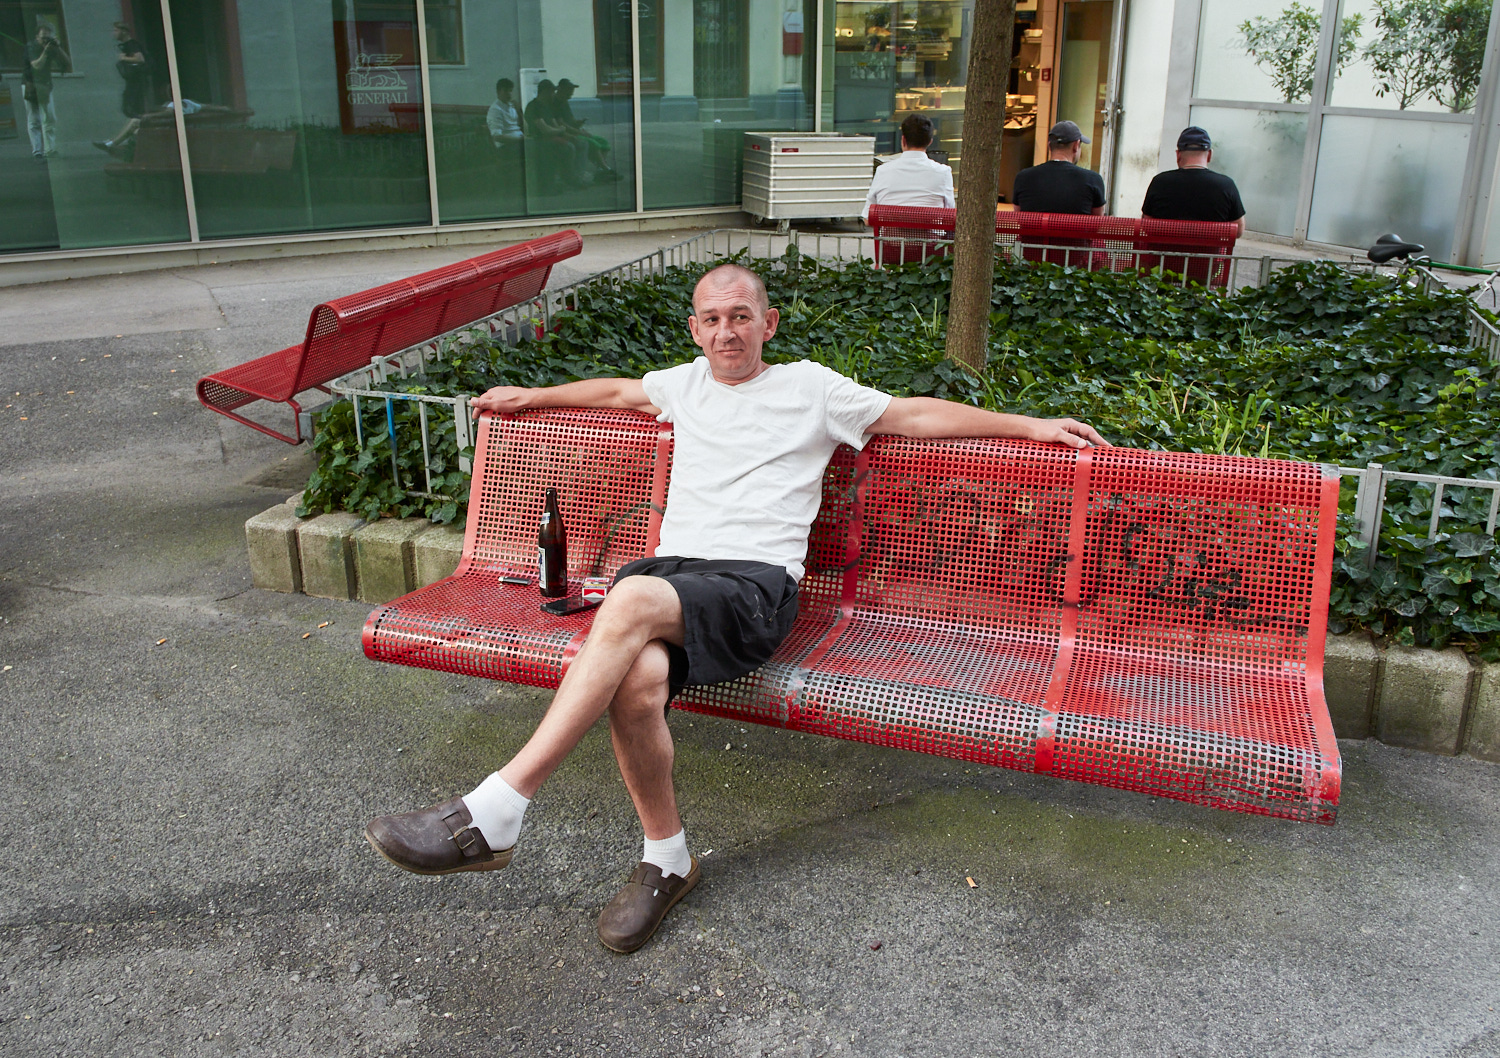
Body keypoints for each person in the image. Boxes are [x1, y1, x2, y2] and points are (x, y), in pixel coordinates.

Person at [363, 263, 1109, 954]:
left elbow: (910, 414)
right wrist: (533, 397)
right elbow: (622, 392)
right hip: (676, 581)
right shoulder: (684, 384)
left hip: (752, 588)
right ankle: (667, 860)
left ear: (769, 323)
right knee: (638, 683)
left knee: (629, 599)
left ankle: (497, 810)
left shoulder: (813, 389)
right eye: (712, 319)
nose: (726, 331)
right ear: (696, 329)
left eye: (741, 317)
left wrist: (1033, 426)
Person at [1140, 127, 1246, 236]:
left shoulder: (1159, 182)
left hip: (1164, 253)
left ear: (1178, 155)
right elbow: (1238, 230)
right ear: (1209, 155)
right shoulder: (1226, 185)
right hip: (1207, 253)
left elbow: (1146, 226)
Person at [861, 113, 955, 223]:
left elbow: (867, 219)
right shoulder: (943, 172)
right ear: (930, 142)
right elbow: (950, 216)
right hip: (930, 240)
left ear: (903, 140)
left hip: (890, 240)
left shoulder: (883, 171)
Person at [1011, 120, 1106, 215]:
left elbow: (1019, 217)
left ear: (1049, 145)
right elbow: (1097, 223)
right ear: (1076, 146)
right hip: (1073, 230)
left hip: (1035, 231)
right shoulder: (1093, 180)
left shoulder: (1023, 178)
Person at [93, 22, 151, 157]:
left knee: (134, 111)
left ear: (124, 31)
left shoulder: (132, 44)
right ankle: (119, 142)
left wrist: (123, 57)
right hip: (133, 83)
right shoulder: (127, 45)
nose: (114, 33)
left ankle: (121, 144)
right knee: (130, 110)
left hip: (137, 84)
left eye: (116, 30)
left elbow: (140, 59)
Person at [523, 79, 587, 191]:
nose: (553, 94)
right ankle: (568, 178)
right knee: (568, 147)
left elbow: (555, 125)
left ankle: (577, 177)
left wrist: (566, 133)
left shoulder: (547, 106)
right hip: (540, 140)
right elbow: (545, 130)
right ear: (544, 92)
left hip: (552, 137)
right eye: (552, 92)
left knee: (580, 143)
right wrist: (561, 130)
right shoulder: (534, 107)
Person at [555, 78, 621, 182]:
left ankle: (600, 169)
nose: (570, 95)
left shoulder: (565, 103)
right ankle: (606, 168)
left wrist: (578, 123)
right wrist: (579, 132)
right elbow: (562, 124)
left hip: (575, 131)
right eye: (569, 92)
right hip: (567, 134)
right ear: (561, 90)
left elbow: (571, 120)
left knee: (603, 142)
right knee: (593, 143)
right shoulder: (556, 104)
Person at [22, 21, 70, 160]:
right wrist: (45, 51)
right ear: (37, 37)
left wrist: (58, 48)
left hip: (45, 85)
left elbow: (66, 63)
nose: (45, 40)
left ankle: (50, 149)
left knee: (49, 117)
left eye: (48, 37)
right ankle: (37, 150)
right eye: (43, 37)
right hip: (30, 84)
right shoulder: (31, 47)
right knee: (34, 118)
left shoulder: (51, 47)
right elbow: (36, 66)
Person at [486, 77, 524, 148]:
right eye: (505, 91)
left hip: (519, 141)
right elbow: (497, 137)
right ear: (498, 92)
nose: (509, 94)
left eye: (510, 91)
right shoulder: (495, 110)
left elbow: (521, 125)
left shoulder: (512, 106)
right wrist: (521, 140)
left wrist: (519, 110)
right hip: (506, 146)